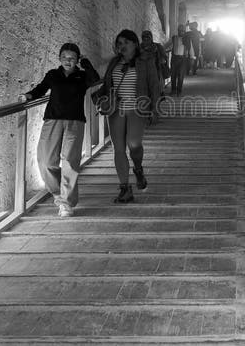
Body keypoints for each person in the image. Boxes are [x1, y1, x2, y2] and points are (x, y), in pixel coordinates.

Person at [19, 42, 99, 218]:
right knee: (45, 161)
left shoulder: (82, 76)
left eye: (72, 58)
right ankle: (57, 193)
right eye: (64, 57)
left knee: (70, 161)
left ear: (77, 59)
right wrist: (28, 96)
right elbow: (41, 89)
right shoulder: (53, 74)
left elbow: (96, 80)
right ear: (59, 58)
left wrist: (86, 63)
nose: (67, 61)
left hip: (75, 121)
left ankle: (66, 203)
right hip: (53, 120)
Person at [93, 29, 159, 204]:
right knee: (119, 148)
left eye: (126, 43)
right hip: (116, 109)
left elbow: (154, 84)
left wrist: (154, 108)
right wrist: (98, 96)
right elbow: (107, 84)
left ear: (135, 44)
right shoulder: (114, 62)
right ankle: (125, 188)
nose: (122, 46)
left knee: (134, 143)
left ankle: (138, 168)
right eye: (119, 44)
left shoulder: (146, 61)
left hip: (138, 107)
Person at [140, 29, 169, 111]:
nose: (146, 40)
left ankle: (154, 110)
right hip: (143, 74)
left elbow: (164, 58)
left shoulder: (157, 47)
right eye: (144, 38)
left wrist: (161, 60)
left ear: (151, 38)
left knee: (156, 92)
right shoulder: (139, 48)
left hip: (156, 73)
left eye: (147, 38)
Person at [168, 24, 191, 95]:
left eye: (183, 31)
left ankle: (179, 91)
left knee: (181, 76)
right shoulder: (174, 38)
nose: (181, 32)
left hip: (182, 59)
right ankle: (173, 90)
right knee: (173, 75)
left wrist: (192, 57)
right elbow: (168, 44)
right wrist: (161, 48)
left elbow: (191, 49)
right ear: (178, 31)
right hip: (174, 58)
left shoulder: (187, 39)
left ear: (184, 31)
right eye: (180, 30)